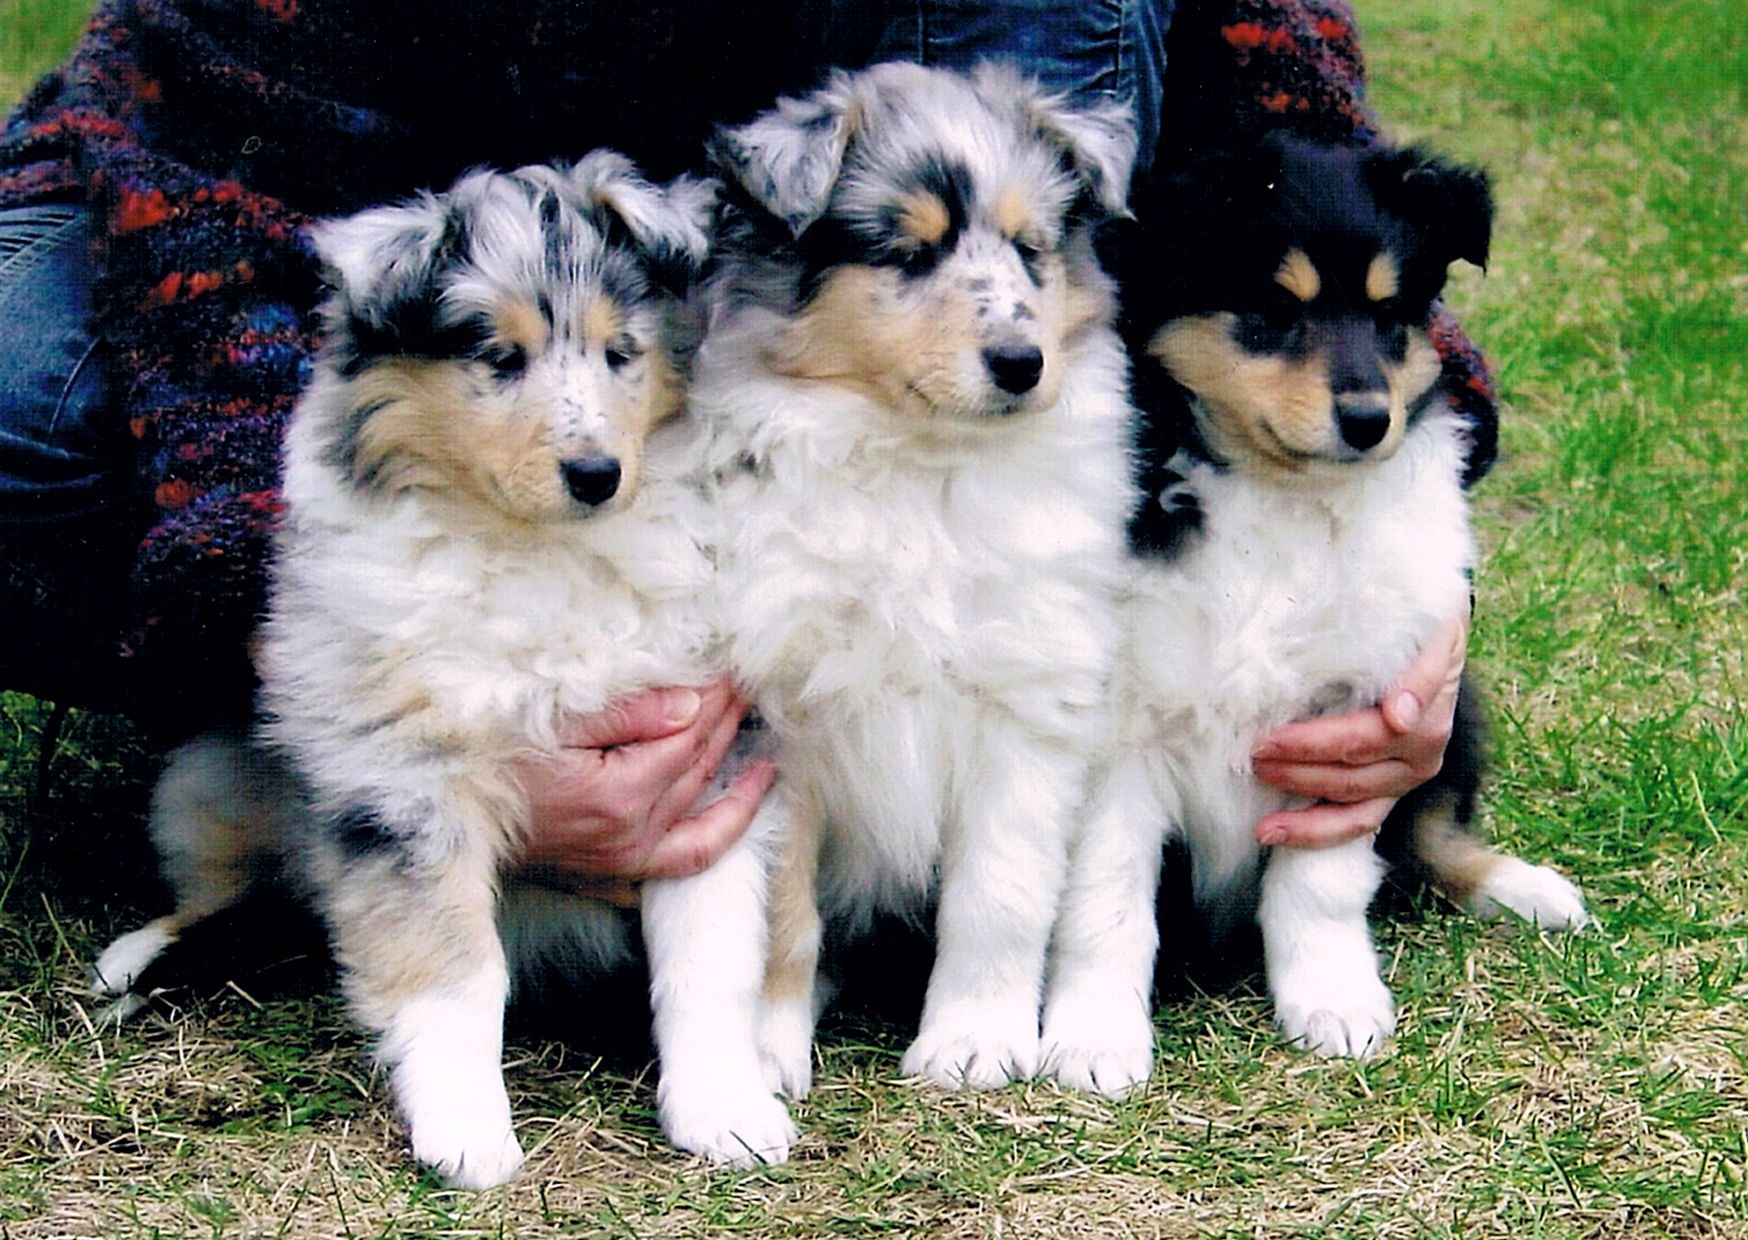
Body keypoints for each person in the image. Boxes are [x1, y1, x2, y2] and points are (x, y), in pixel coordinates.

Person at [0, 0, 1484, 894]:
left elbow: (1278, 125)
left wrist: (1374, 528)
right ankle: (445, 722)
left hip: (858, 261)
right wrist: (338, 654)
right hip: (424, 260)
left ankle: (1024, 633)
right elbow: (213, 192)